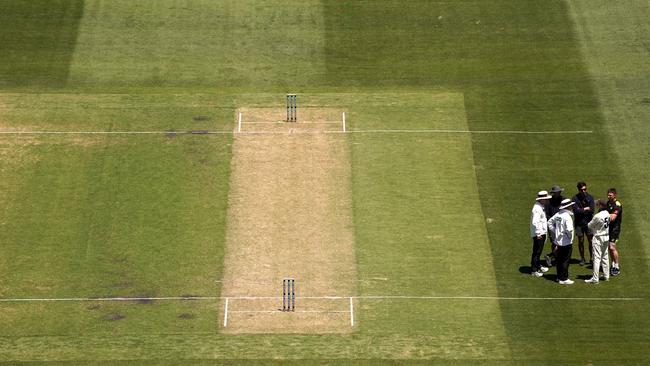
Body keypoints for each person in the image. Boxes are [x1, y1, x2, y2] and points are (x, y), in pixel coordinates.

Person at [548, 198, 575, 284]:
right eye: (570, 205)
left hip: (558, 241)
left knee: (559, 260)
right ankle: (564, 279)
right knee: (565, 260)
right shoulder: (567, 217)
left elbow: (549, 223)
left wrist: (556, 231)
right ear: (568, 206)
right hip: (566, 242)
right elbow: (569, 229)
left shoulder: (558, 214)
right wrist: (569, 237)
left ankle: (559, 277)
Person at [585, 199, 610, 283]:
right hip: (606, 237)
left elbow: (589, 225)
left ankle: (595, 278)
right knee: (605, 256)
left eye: (598, 204)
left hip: (598, 238)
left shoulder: (597, 216)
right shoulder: (607, 213)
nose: (596, 206)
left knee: (596, 258)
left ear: (601, 206)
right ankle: (606, 276)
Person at [572, 181, 595, 266]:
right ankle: (582, 258)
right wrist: (585, 209)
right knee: (580, 241)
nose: (584, 191)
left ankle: (592, 258)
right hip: (579, 223)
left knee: (591, 241)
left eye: (585, 189)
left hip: (589, 223)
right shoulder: (574, 198)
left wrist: (581, 210)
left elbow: (592, 210)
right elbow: (575, 211)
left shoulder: (590, 197)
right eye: (582, 190)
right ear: (579, 190)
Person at [530, 191, 551, 277]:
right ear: (541, 199)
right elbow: (535, 222)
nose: (547, 201)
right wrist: (538, 233)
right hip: (539, 233)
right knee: (537, 252)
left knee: (539, 251)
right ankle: (534, 270)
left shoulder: (540, 206)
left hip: (542, 232)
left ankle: (538, 266)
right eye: (545, 199)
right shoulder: (537, 209)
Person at [544, 185, 565, 267]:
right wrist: (555, 221)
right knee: (554, 242)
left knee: (561, 242)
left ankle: (551, 256)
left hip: (562, 225)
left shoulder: (563, 200)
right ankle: (554, 257)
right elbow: (547, 214)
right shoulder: (549, 202)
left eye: (559, 192)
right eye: (556, 192)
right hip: (552, 225)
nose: (558, 193)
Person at [606, 188, 623, 276]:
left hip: (615, 229)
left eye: (610, 195)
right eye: (608, 195)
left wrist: (602, 216)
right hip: (608, 228)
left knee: (612, 247)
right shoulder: (608, 203)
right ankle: (612, 263)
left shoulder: (617, 204)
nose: (608, 196)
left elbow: (613, 218)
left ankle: (617, 266)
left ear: (615, 195)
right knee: (609, 247)